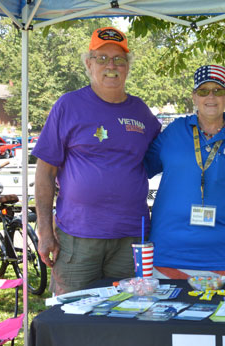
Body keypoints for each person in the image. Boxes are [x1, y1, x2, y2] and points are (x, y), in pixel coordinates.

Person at [32, 26, 161, 295]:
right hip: (78, 238)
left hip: (131, 238)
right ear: (89, 64)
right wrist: (44, 230)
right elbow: (44, 173)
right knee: (72, 317)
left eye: (119, 59)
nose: (110, 66)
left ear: (127, 66)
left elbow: (165, 155)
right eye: (102, 59)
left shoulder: (141, 112)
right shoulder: (67, 106)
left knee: (126, 315)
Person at [144, 65, 225, 279]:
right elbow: (140, 169)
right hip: (168, 257)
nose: (210, 97)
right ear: (194, 96)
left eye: (218, 90)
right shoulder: (173, 132)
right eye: (203, 91)